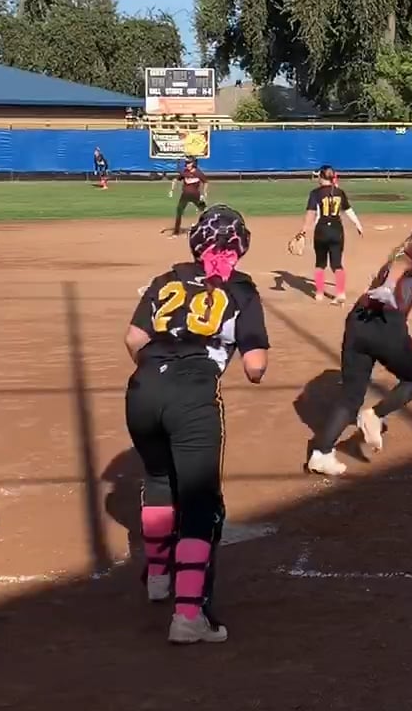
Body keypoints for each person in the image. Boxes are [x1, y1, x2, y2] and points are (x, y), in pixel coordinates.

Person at [124, 205, 269, 645]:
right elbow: (256, 366)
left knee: (157, 479)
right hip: (193, 397)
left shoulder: (164, 280)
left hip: (142, 390)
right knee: (200, 504)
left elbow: (133, 339)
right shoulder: (241, 290)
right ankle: (188, 616)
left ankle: (158, 579)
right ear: (239, 248)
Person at [306, 217, 412, 478]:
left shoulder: (403, 255)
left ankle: (321, 453)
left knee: (351, 396)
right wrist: (388, 287)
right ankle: (375, 415)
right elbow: (403, 264)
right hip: (386, 328)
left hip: (359, 322)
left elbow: (405, 285)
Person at [291, 165, 364, 305]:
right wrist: (358, 224)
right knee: (337, 264)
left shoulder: (315, 193)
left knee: (320, 264)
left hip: (322, 231)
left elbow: (311, 214)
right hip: (337, 231)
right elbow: (348, 210)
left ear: (321, 177)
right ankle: (340, 293)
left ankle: (319, 293)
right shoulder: (339, 192)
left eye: (318, 176)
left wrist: (303, 231)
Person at [168, 157, 208, 235]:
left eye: (189, 163)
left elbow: (205, 182)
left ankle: (206, 228)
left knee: (204, 210)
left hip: (196, 196)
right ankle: (176, 232)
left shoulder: (198, 173)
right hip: (185, 196)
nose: (187, 165)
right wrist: (172, 190)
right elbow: (176, 180)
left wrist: (204, 193)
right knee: (179, 211)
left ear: (193, 164)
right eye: (186, 163)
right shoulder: (185, 172)